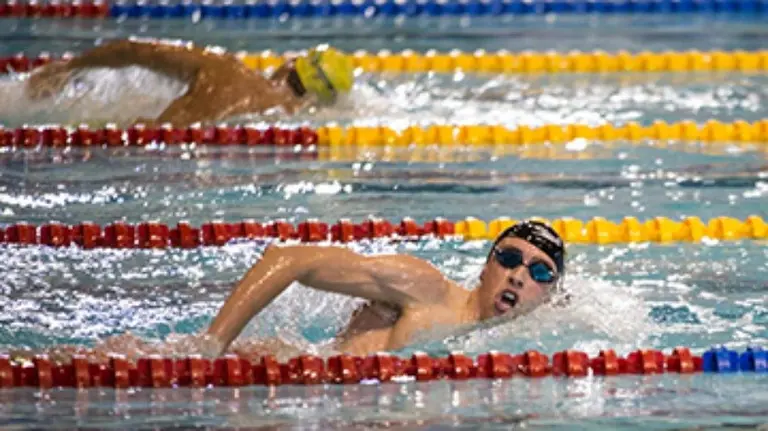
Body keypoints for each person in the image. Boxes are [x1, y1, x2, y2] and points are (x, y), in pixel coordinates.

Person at [202, 219, 567, 357]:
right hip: (290, 381)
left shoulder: (534, 342)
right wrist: (210, 346)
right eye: (509, 258)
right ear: (485, 268)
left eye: (540, 272)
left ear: (548, 296)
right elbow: (289, 258)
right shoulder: (426, 289)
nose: (518, 276)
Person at [22, 39, 355, 126]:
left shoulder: (225, 71)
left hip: (139, 140)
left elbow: (135, 51)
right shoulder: (288, 120)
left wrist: (69, 67)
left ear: (291, 64)